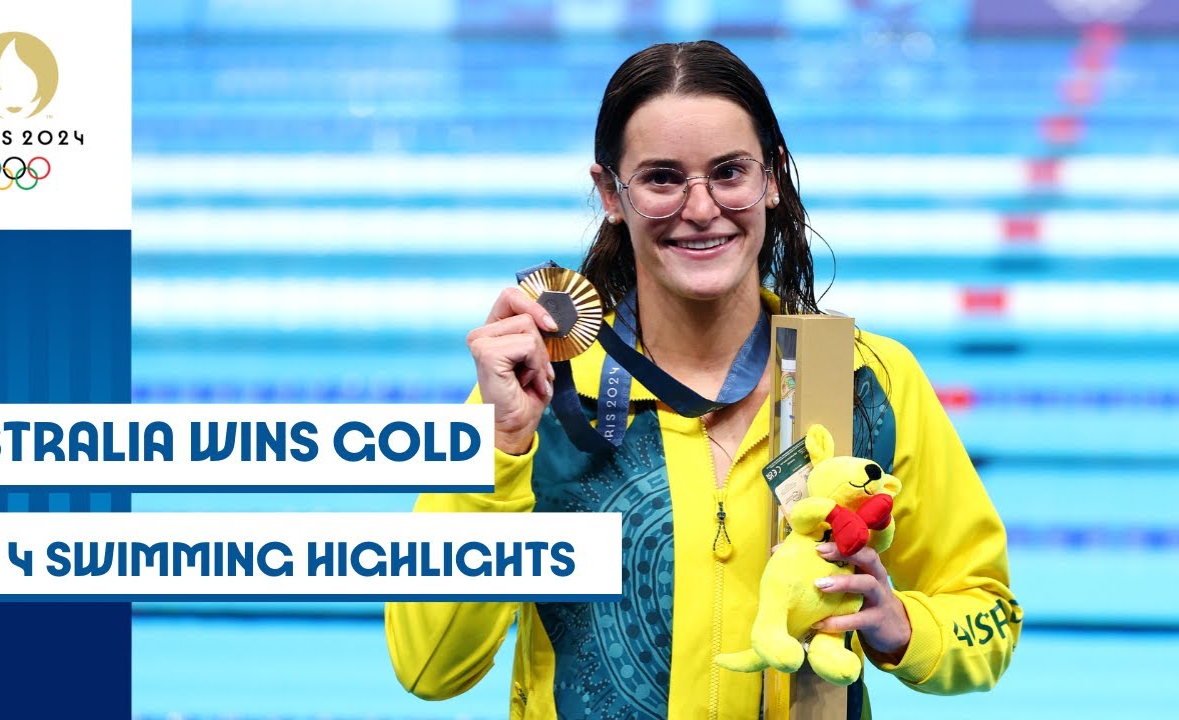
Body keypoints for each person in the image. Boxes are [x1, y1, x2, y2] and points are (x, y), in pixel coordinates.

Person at [385, 40, 1019, 718]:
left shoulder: (865, 380)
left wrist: (905, 628)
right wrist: (502, 445)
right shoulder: (542, 391)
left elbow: (989, 616)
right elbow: (429, 667)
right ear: (612, 193)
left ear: (772, 178)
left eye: (729, 172)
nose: (701, 208)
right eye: (662, 178)